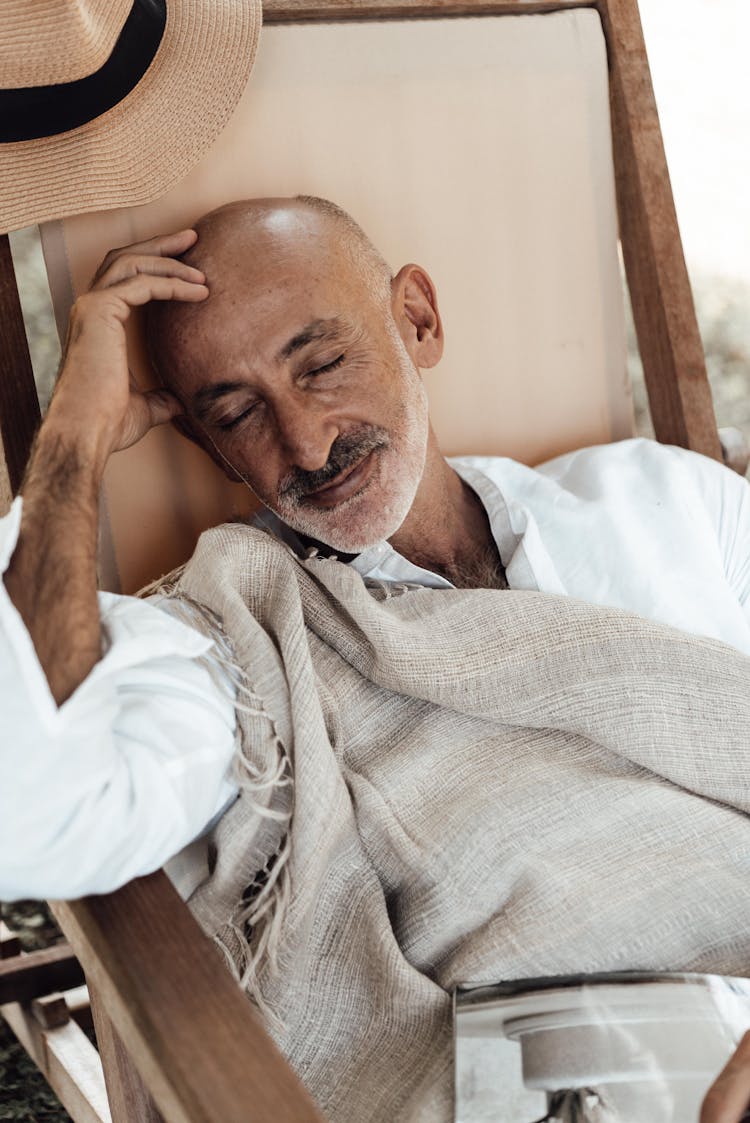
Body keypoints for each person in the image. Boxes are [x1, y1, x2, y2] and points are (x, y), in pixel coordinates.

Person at [2, 196, 750, 1121]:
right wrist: (73, 434)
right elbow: (33, 802)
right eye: (236, 413)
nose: (307, 443)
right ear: (204, 444)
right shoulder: (244, 647)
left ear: (418, 320)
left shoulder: (661, 501)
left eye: (322, 364)